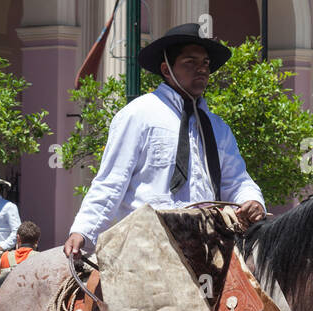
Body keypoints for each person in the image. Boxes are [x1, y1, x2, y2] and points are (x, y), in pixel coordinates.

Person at [63, 23, 267, 262]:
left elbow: (238, 180)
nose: (201, 70)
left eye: (205, 63)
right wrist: (83, 230)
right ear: (166, 69)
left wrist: (252, 200)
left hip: (209, 246)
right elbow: (111, 182)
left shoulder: (218, 128)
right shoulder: (138, 116)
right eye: (190, 62)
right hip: (148, 246)